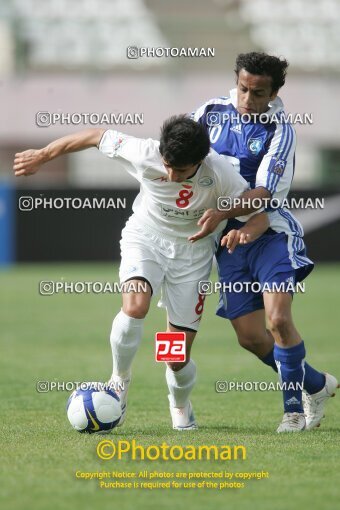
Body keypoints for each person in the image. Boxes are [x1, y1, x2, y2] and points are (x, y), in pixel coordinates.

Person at [13, 115, 268, 430]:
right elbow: (95, 135)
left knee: (174, 357)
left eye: (182, 170)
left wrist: (224, 213)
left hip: (191, 256)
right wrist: (42, 155)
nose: (172, 175)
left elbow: (256, 202)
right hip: (145, 238)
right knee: (135, 306)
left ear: (200, 161)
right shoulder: (144, 151)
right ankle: (119, 380)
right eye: (168, 165)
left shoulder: (219, 172)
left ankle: (179, 404)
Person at [190, 52, 338, 432]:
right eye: (243, 89)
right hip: (230, 242)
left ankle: (293, 412)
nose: (247, 99)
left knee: (277, 320)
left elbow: (262, 196)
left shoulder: (280, 131)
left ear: (273, 94)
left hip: (269, 234)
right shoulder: (209, 113)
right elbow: (180, 150)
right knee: (251, 338)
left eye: (258, 93)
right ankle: (316, 384)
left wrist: (223, 215)